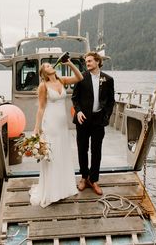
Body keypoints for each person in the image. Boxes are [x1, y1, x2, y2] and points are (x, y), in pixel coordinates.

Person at [29, 59, 83, 208]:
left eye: (49, 64)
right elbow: (40, 108)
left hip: (62, 124)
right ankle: (52, 192)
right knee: (52, 155)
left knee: (62, 154)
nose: (49, 66)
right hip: (50, 123)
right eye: (46, 66)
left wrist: (70, 64)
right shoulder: (43, 86)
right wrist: (36, 128)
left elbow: (80, 78)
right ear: (43, 73)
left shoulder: (62, 80)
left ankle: (63, 188)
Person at [71, 51, 115, 195]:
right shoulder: (81, 77)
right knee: (82, 149)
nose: (87, 63)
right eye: (86, 61)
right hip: (82, 120)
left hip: (98, 121)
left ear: (97, 61)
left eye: (89, 61)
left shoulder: (108, 79)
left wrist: (106, 116)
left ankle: (93, 179)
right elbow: (75, 98)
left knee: (96, 151)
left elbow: (110, 101)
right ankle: (84, 177)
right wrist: (78, 111)